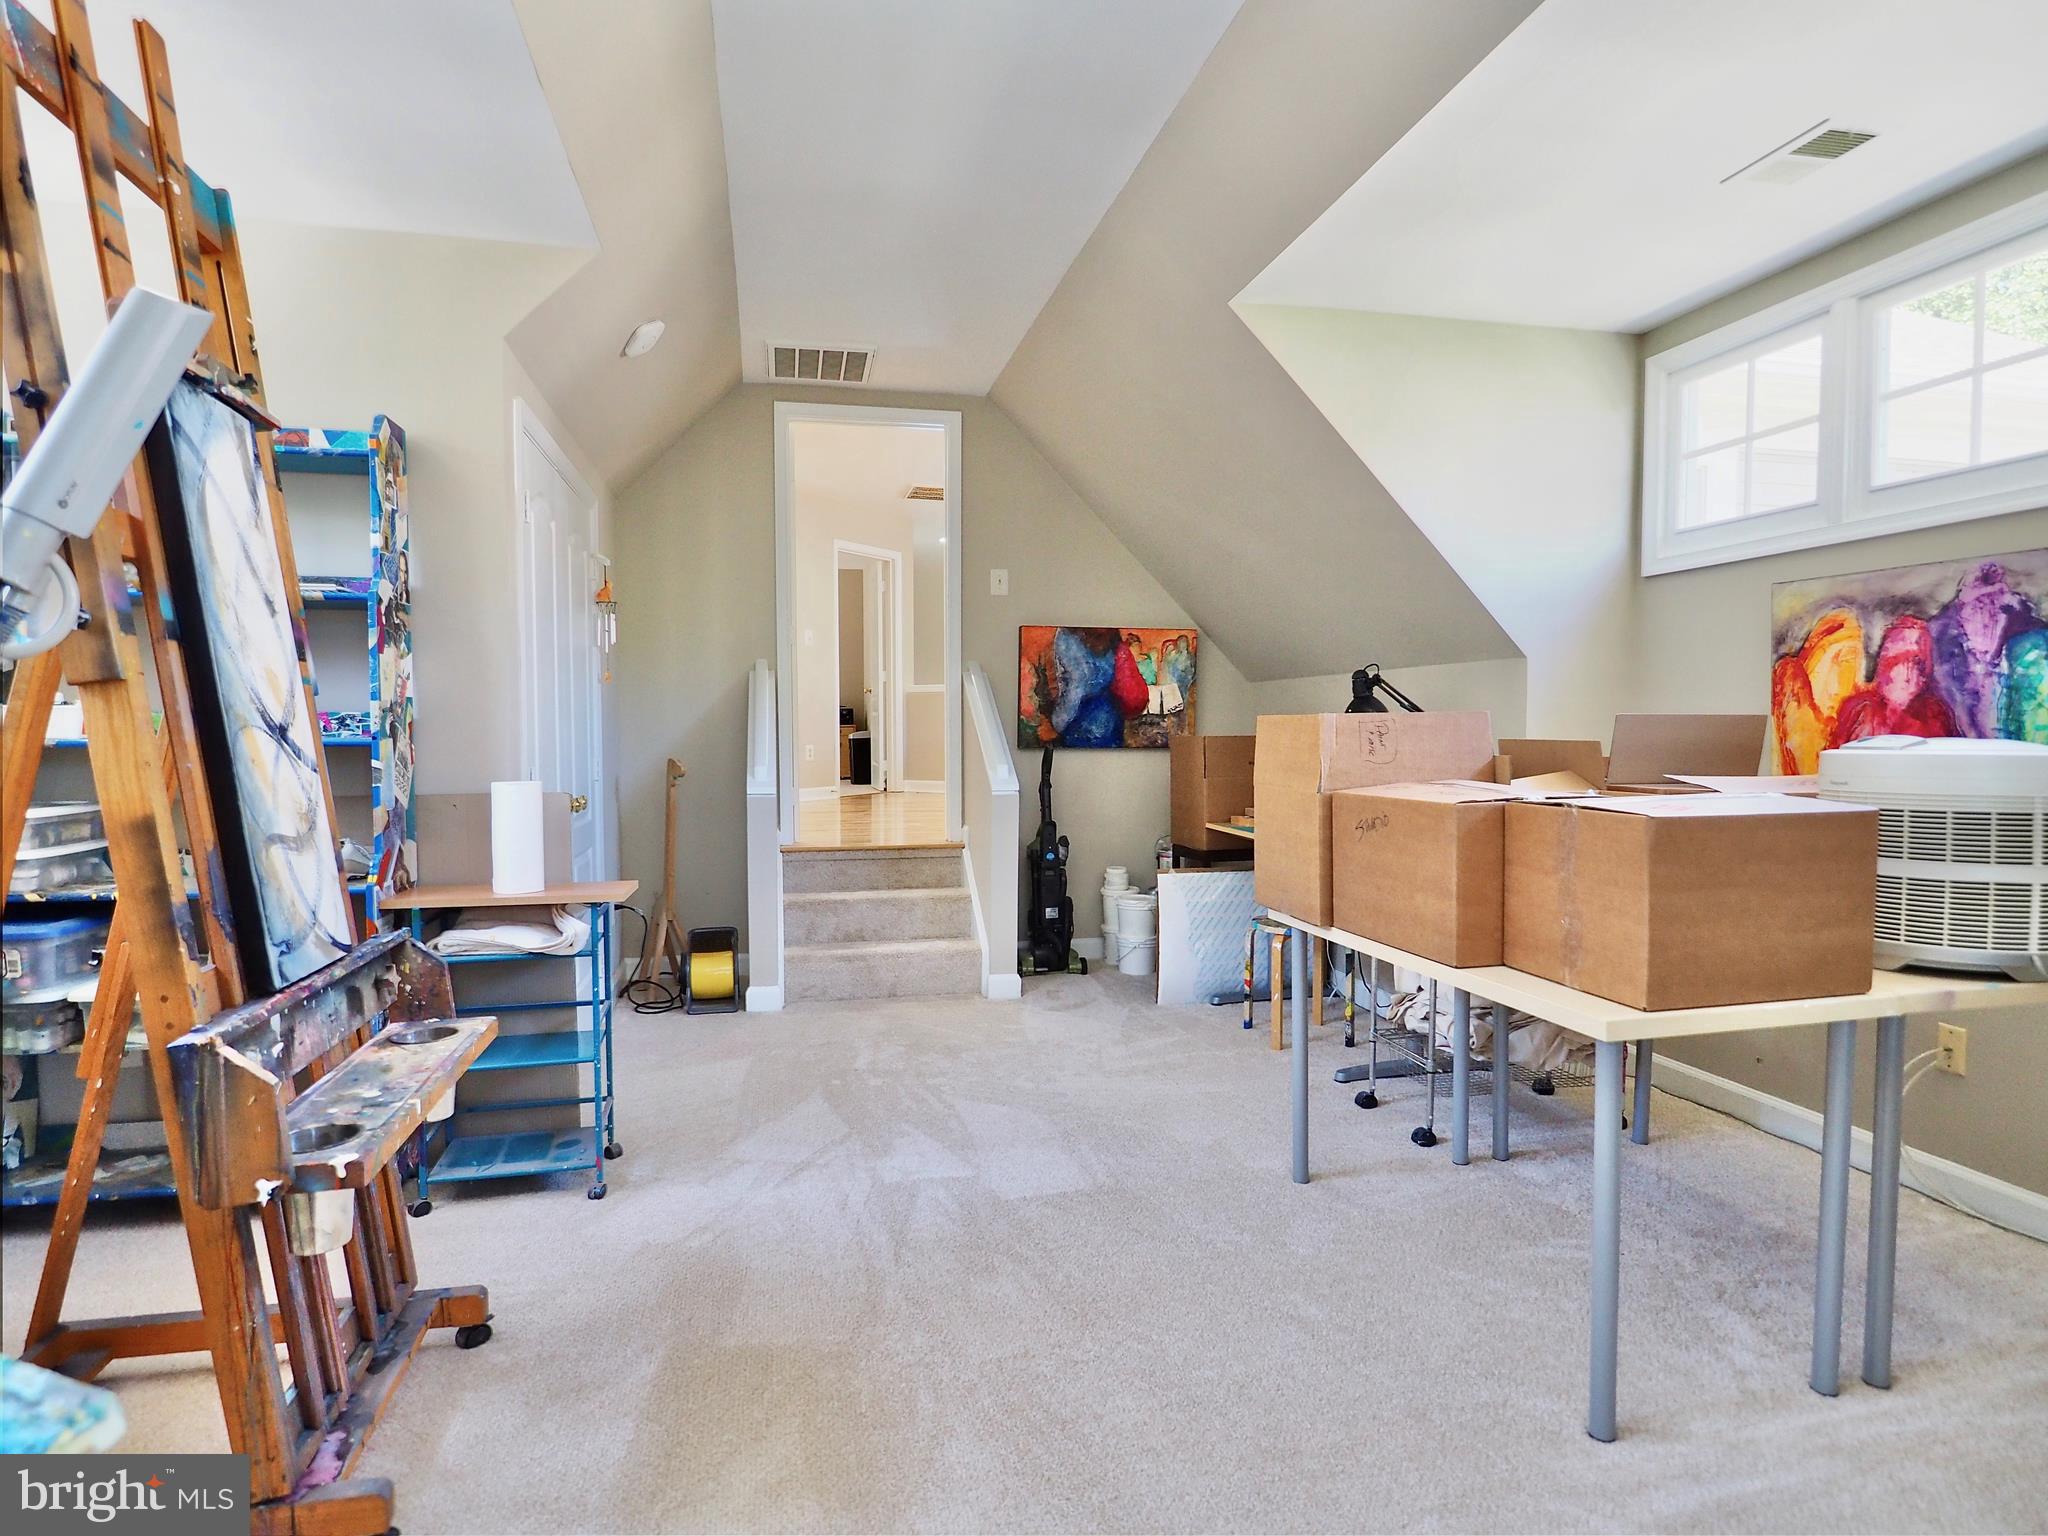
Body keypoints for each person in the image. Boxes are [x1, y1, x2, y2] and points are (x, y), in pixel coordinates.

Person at [1832, 617, 1958, 743]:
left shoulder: (1936, 714)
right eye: (1897, 660)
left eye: (1917, 663)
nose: (1907, 672)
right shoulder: (1859, 709)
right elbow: (1834, 756)